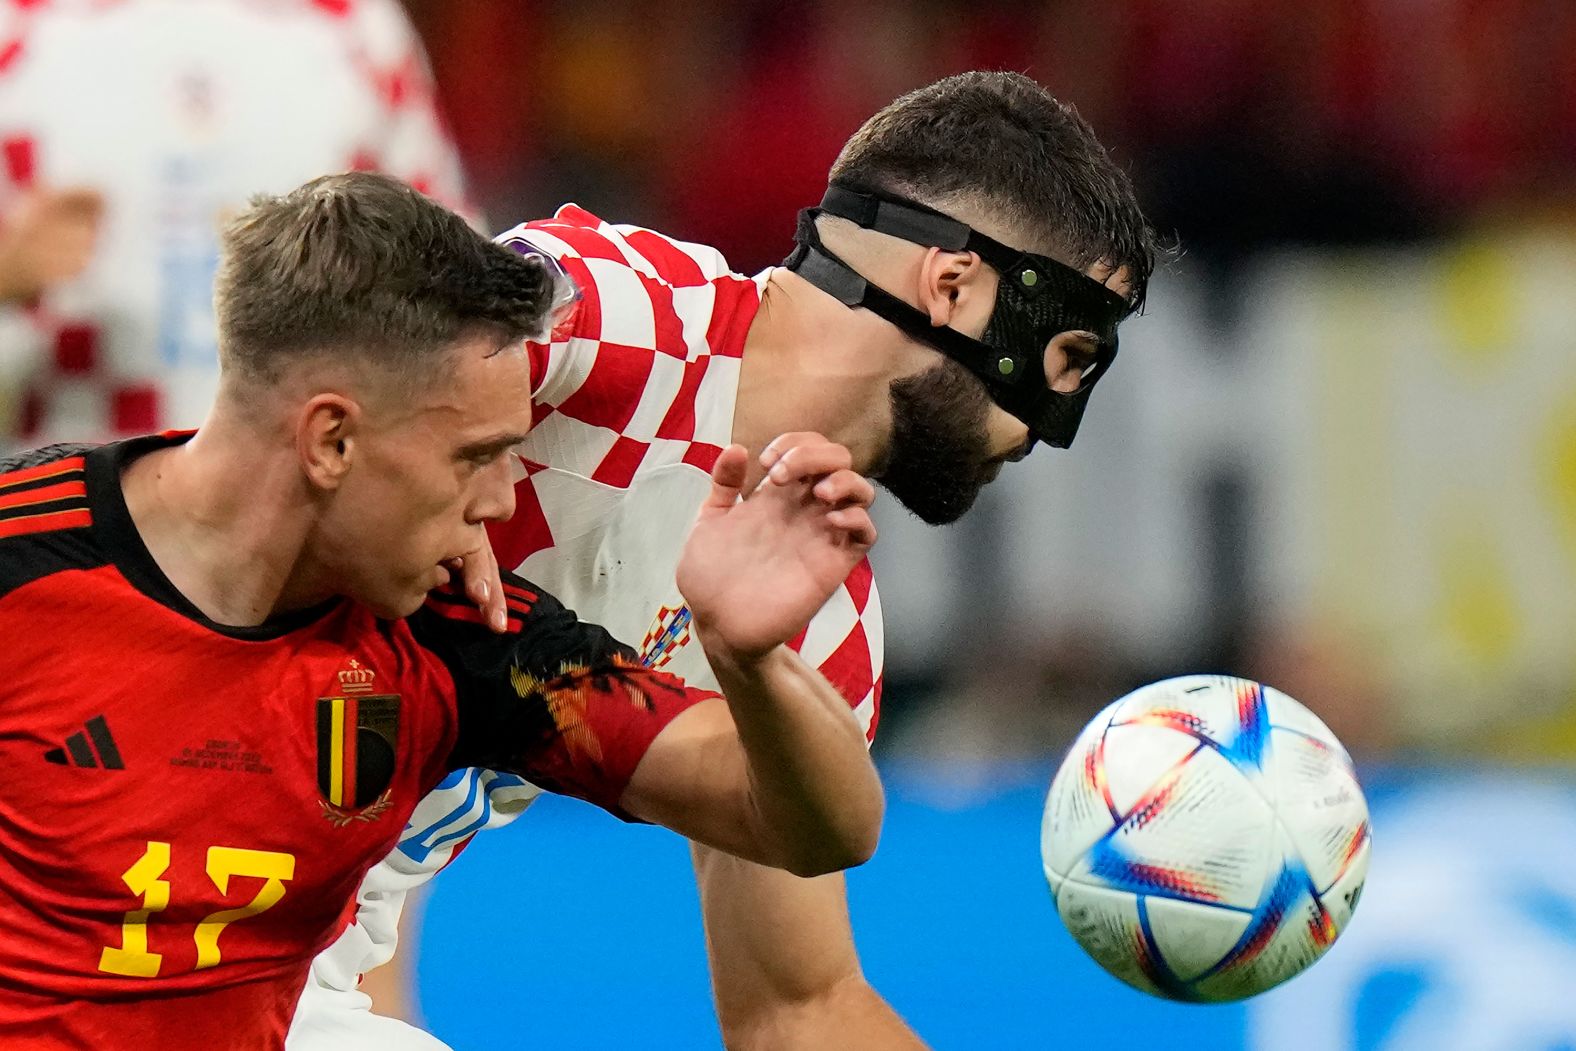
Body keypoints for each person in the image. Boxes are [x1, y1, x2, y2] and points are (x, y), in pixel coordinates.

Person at [296, 72, 1160, 1050]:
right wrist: (423, 459)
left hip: (276, 960)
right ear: (953, 286)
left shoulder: (817, 620)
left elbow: (800, 1008)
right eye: (1069, 355)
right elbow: (332, 339)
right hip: (140, 867)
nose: (1055, 428)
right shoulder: (626, 314)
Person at [0, 171, 886, 1050]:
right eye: (478, 456)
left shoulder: (458, 638)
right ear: (331, 440)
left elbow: (812, 828)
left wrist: (749, 658)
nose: (504, 503)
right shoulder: (25, 569)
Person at [0, 0, 471, 449]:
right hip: (69, 492)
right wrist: (7, 277)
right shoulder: (18, 24)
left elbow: (457, 276)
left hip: (300, 488)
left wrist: (368, 274)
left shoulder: (353, 24)